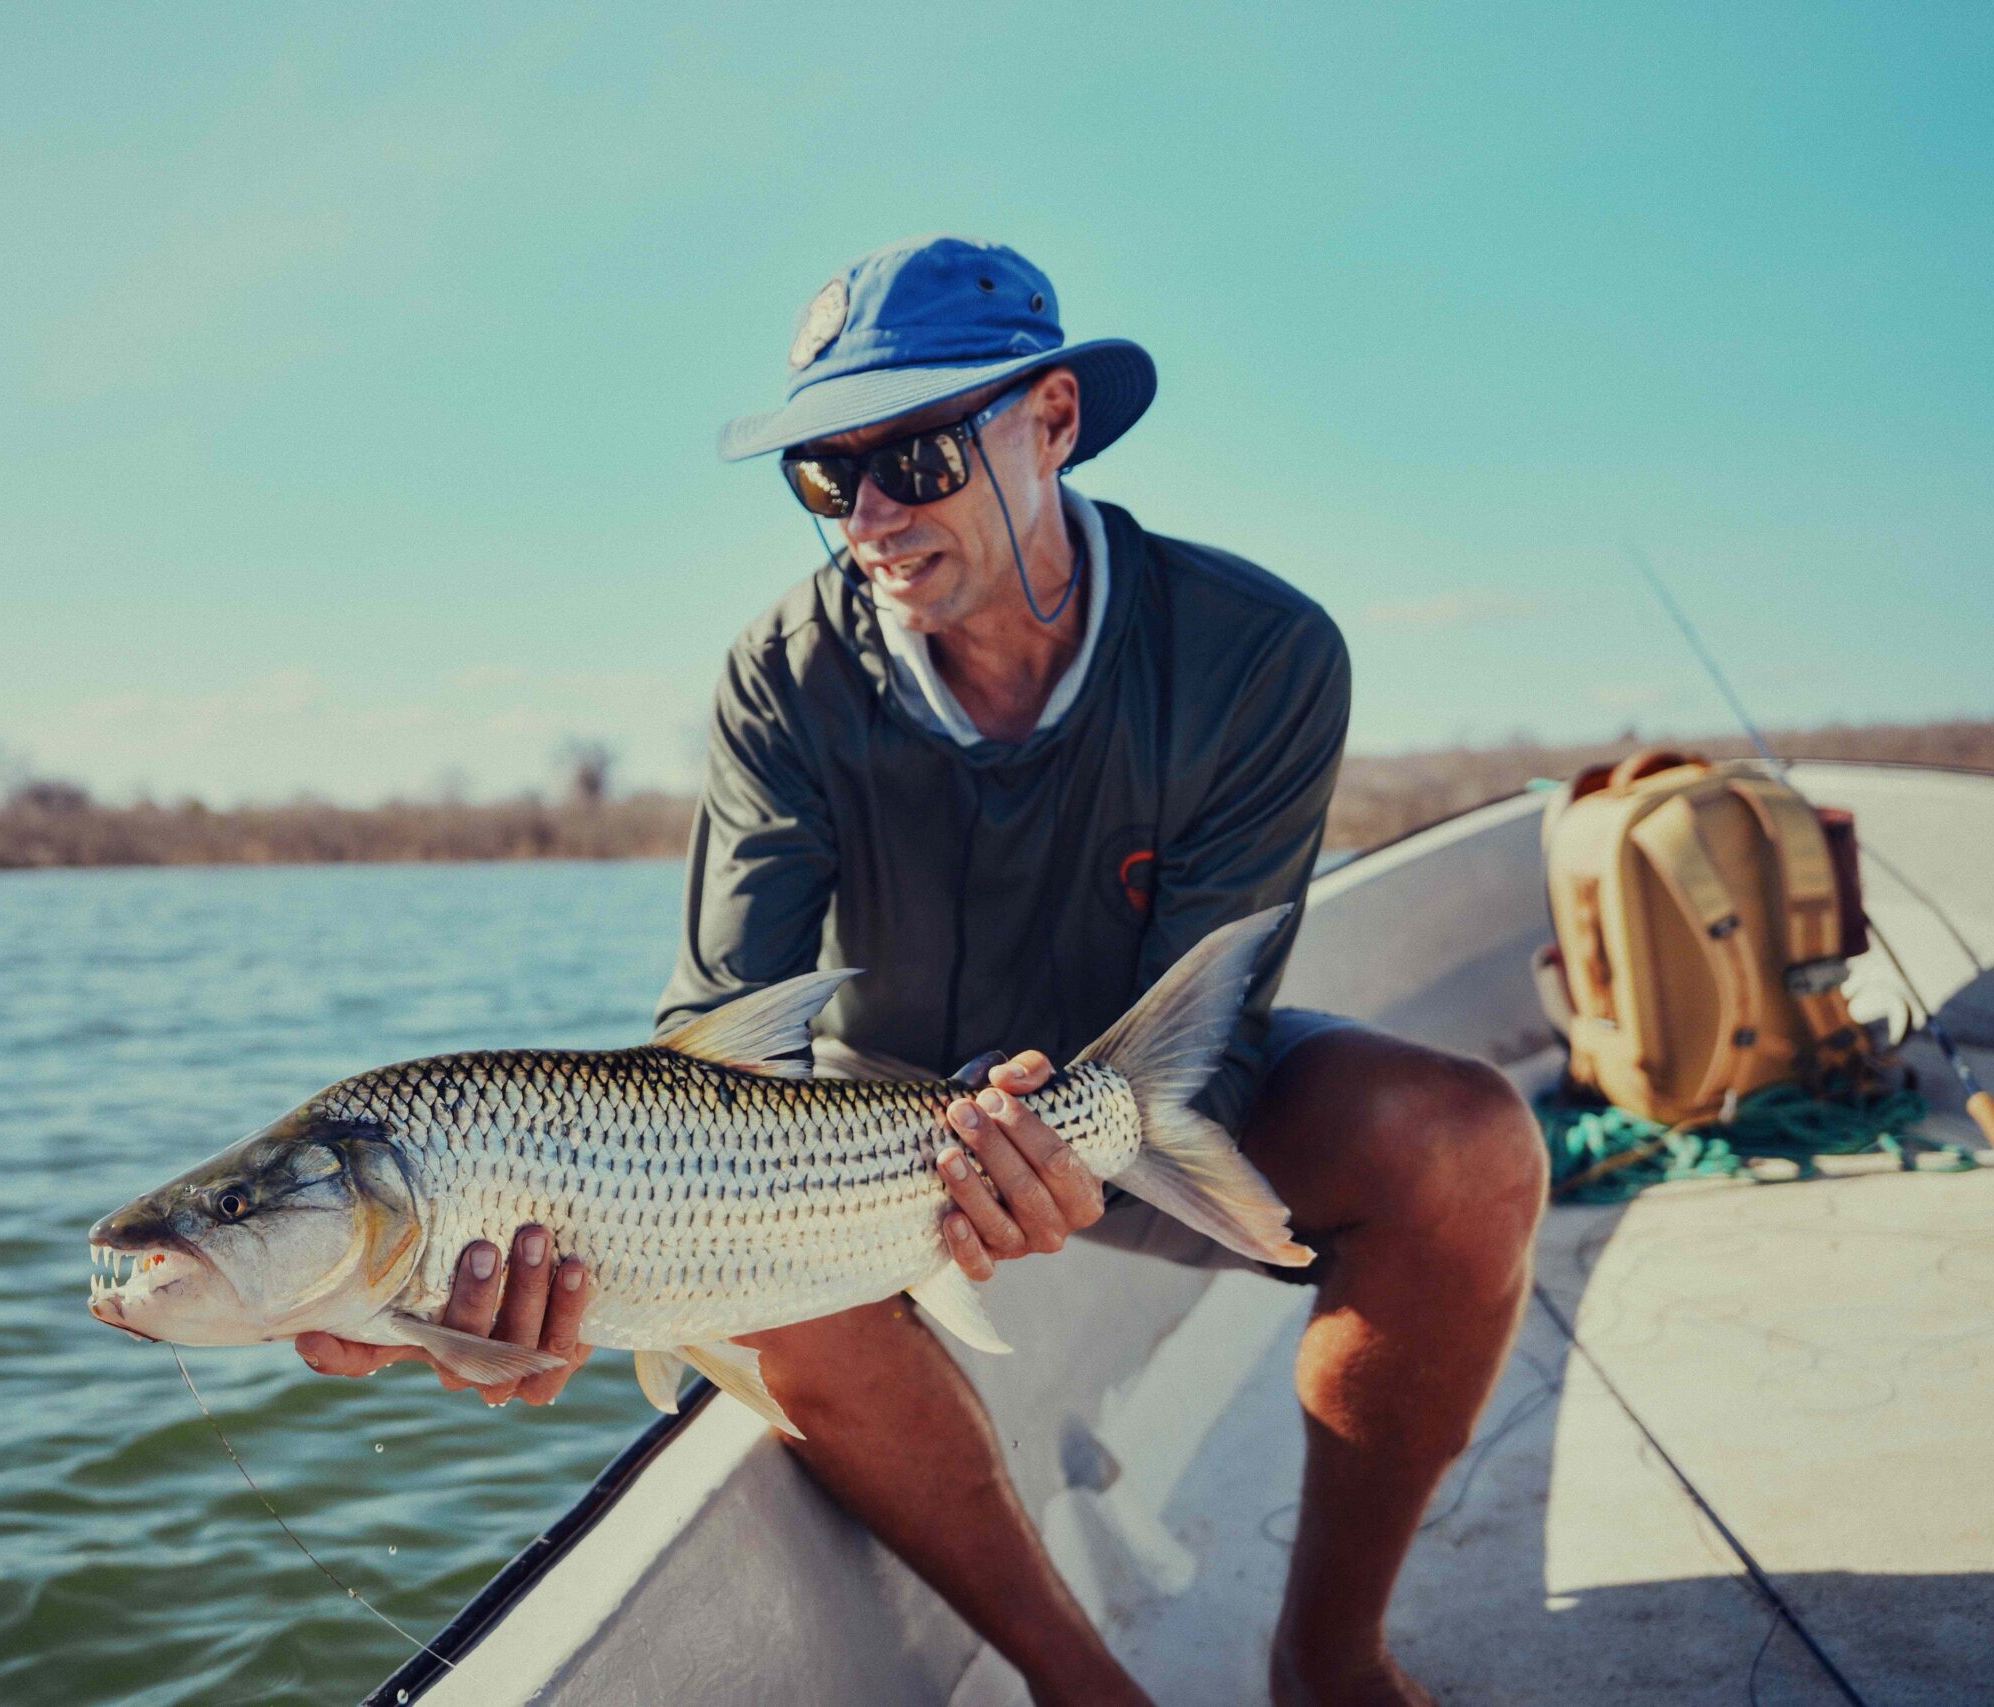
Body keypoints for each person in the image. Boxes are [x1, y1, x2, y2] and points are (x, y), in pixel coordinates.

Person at [298, 236, 1548, 1707]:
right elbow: (716, 1039)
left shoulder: (1261, 654)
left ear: (1054, 422)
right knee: (761, 1287)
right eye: (826, 477)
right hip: (854, 1153)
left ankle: (1330, 1665)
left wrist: (1087, 1127)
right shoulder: (779, 678)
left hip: (1145, 1112)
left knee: (1467, 1150)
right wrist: (508, 1282)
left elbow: (1211, 1032)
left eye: (916, 457)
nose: (868, 519)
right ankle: (1084, 1689)